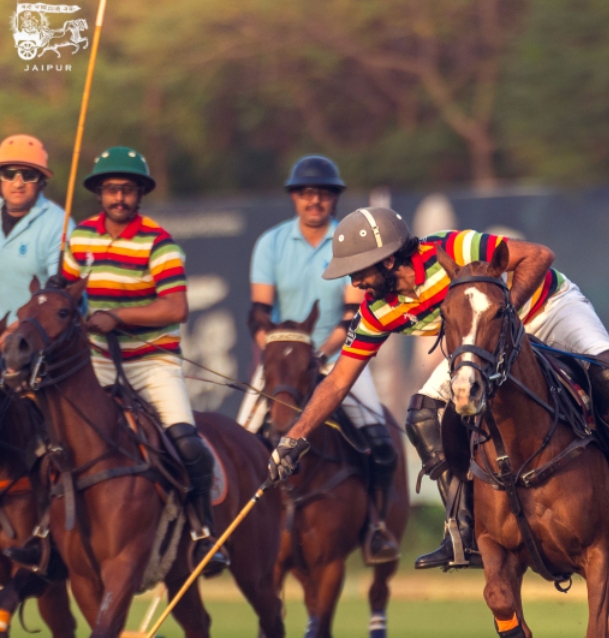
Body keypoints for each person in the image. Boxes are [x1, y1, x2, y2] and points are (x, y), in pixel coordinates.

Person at [264, 206, 609, 571]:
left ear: (388, 260)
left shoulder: (456, 247)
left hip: (547, 309)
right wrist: (294, 439)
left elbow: (538, 255)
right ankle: (461, 528)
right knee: (423, 414)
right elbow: (338, 380)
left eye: (359, 271)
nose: (355, 282)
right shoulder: (379, 311)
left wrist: (507, 313)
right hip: (480, 340)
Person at [7, 146, 227, 577]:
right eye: (111, 189)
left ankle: (203, 531)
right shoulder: (81, 238)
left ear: (140, 193)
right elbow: (64, 290)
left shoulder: (159, 243)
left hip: (153, 362)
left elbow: (176, 307)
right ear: (100, 193)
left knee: (187, 443)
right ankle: (44, 534)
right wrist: (55, 287)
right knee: (46, 442)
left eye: (127, 189)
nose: (119, 197)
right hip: (98, 361)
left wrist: (117, 316)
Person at [238, 156, 398, 563]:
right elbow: (259, 313)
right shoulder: (270, 243)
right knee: (241, 442)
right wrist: (278, 353)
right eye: (307, 194)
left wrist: (318, 354)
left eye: (324, 194)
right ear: (294, 198)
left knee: (380, 441)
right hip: (282, 362)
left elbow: (352, 315)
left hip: (342, 355)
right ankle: (234, 530)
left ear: (334, 199)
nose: (315, 201)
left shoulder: (349, 243)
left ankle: (376, 525)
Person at [0, 134, 72, 326]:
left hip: (29, 334)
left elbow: (59, 300)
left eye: (28, 175)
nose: (18, 183)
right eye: (9, 174)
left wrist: (13, 333)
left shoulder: (59, 224)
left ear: (41, 182)